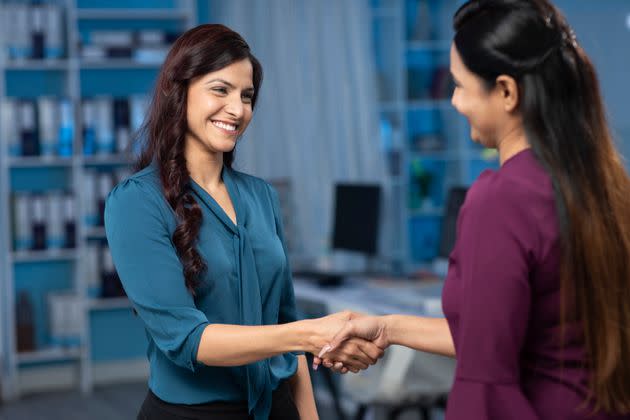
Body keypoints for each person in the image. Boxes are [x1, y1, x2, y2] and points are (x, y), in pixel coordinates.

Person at [317, 0, 630, 418]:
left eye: (460, 85)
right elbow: (505, 334)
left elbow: (484, 383)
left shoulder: (502, 198)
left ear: (505, 91)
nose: (454, 102)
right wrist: (388, 327)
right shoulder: (605, 186)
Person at [104, 24, 383, 420]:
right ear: (178, 92)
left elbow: (286, 319)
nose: (238, 110)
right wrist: (307, 335)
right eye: (221, 90)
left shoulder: (261, 196)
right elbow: (186, 340)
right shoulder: (136, 202)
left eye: (247, 96)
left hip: (277, 408)